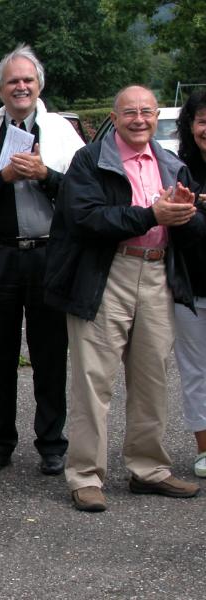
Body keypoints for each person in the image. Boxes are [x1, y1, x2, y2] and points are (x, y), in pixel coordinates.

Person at [44, 85, 204, 512]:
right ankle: (85, 476)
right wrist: (151, 214)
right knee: (94, 380)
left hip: (156, 272)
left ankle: (148, 469)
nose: (139, 119)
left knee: (152, 378)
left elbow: (189, 230)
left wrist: (185, 215)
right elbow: (84, 218)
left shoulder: (172, 165)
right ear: (114, 118)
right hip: (106, 271)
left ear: (157, 118)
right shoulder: (90, 161)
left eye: (147, 112)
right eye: (130, 112)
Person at [0, 45, 84, 476]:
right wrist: (5, 178)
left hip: (50, 254)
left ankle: (52, 443)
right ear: (1, 88)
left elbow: (83, 196)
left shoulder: (64, 133)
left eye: (28, 80)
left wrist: (45, 176)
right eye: (13, 81)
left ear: (39, 85)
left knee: (50, 354)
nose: (21, 86)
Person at [173, 90, 206, 478]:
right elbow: (179, 231)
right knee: (196, 371)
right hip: (191, 289)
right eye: (202, 120)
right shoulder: (180, 171)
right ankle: (203, 448)